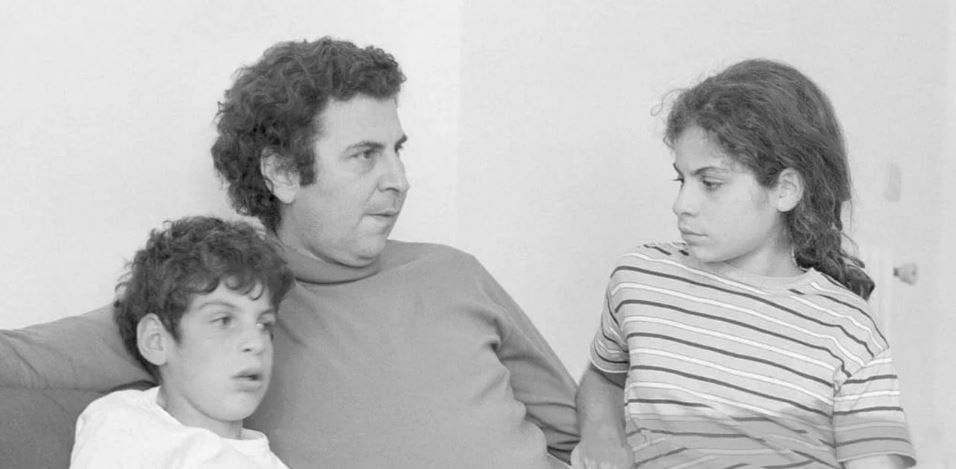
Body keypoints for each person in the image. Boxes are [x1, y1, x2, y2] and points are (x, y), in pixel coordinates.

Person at [0, 37, 578, 469]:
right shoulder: (221, 303)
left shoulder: (455, 272)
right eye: (365, 155)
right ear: (282, 173)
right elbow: (22, 361)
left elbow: (579, 432)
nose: (399, 180)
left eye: (397, 151)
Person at [572, 59, 916, 468]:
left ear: (785, 190)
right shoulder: (641, 279)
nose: (682, 204)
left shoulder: (849, 330)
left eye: (711, 183)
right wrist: (602, 436)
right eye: (681, 179)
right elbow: (604, 377)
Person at [69, 216, 295, 468]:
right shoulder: (124, 423)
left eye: (264, 324)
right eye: (223, 320)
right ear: (156, 340)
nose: (256, 342)